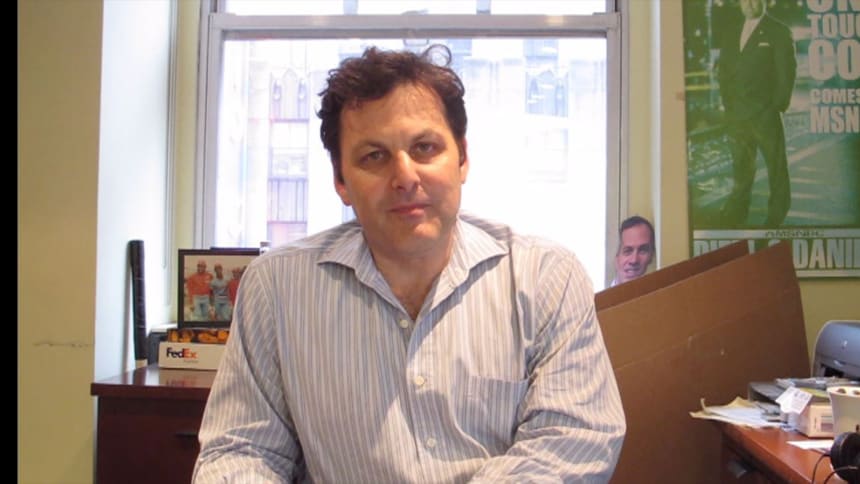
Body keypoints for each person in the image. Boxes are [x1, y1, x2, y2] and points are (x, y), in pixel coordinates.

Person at [193, 44, 625, 483]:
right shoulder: (276, 288)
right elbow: (241, 450)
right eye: (374, 156)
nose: (404, 177)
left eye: (424, 148)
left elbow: (572, 440)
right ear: (341, 180)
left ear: (462, 159)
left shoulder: (546, 277)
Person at [716, 0, 796, 227]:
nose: (749, 4)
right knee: (741, 167)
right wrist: (728, 104)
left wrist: (776, 106)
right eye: (745, 0)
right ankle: (737, 212)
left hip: (765, 114)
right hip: (737, 115)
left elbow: (787, 72)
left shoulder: (778, 31)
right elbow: (724, 70)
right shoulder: (731, 32)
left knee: (776, 168)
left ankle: (777, 213)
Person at [611, 215, 655, 287]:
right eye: (628, 251)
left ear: (651, 255)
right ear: (617, 257)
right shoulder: (593, 293)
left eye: (642, 251)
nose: (634, 260)